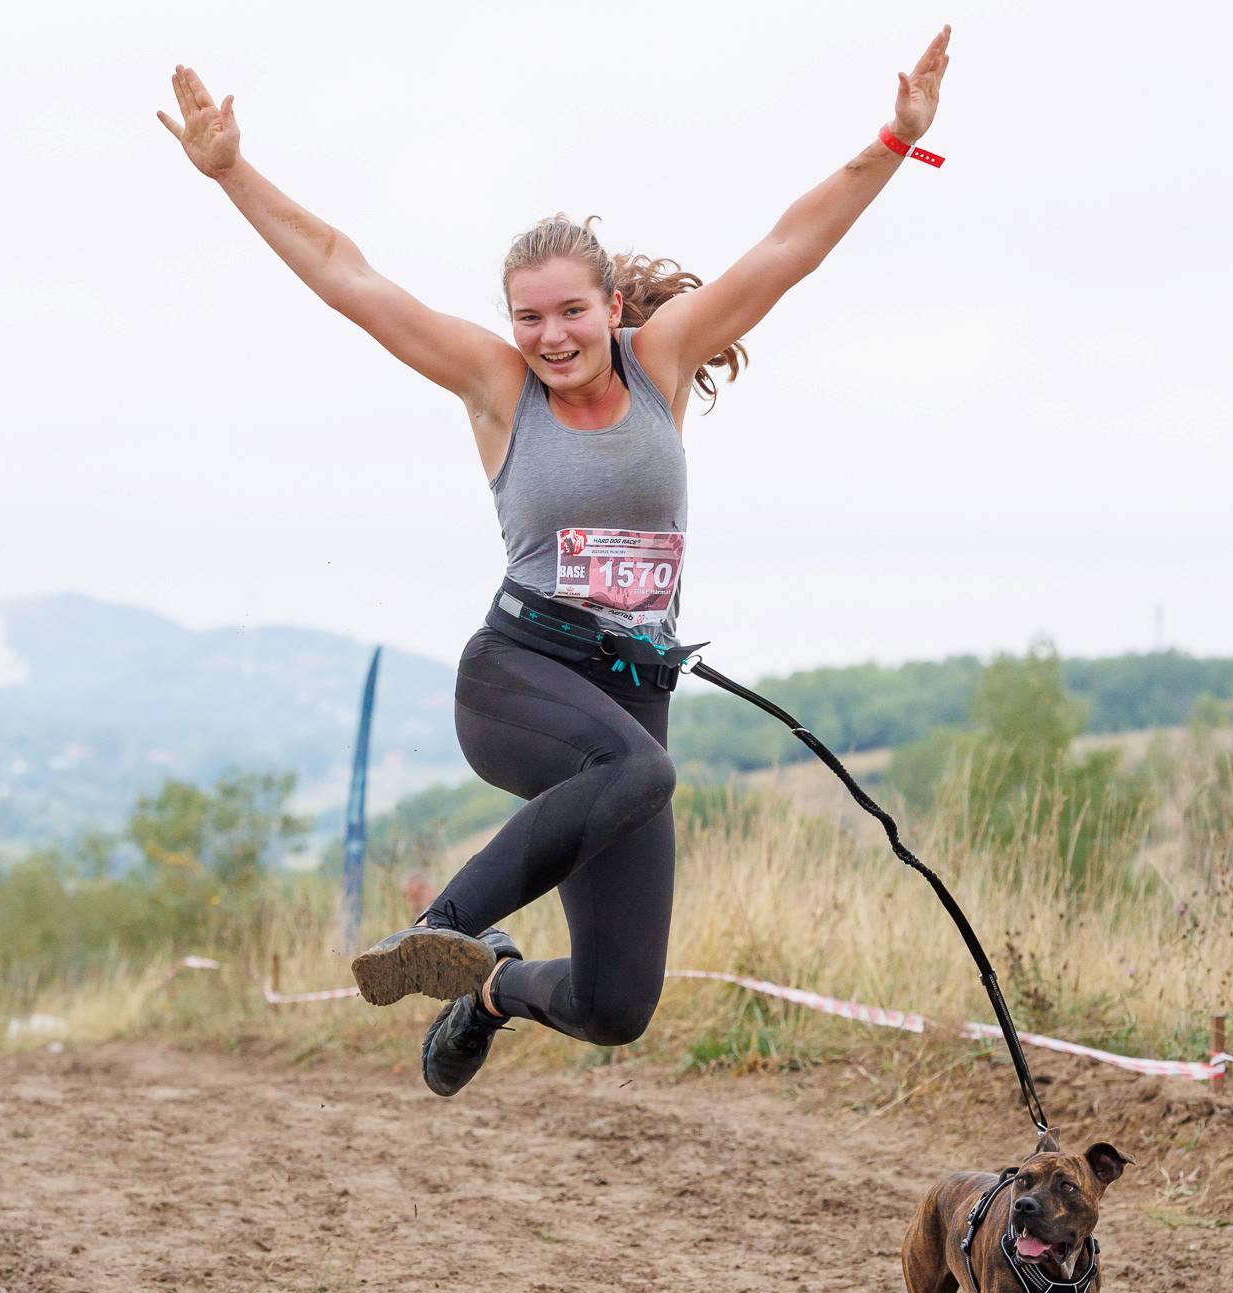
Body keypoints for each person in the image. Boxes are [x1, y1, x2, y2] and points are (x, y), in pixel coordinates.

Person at [158, 27, 952, 1095]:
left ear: (613, 307)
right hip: (518, 680)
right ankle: (440, 929)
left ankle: (486, 989)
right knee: (642, 771)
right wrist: (232, 172)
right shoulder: (497, 387)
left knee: (616, 1005)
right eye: (529, 317)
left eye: (573, 311)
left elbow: (786, 249)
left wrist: (895, 141)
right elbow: (349, 275)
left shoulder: (661, 363)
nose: (552, 337)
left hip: (632, 703)